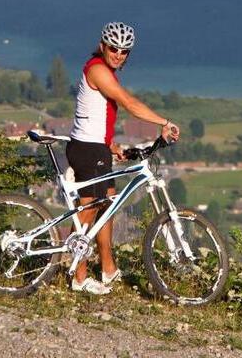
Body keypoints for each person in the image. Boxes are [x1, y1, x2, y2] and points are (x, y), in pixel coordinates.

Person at [67, 21, 180, 295]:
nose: (118, 54)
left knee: (107, 206)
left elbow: (93, 115)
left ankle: (107, 268)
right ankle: (79, 276)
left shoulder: (104, 70)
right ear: (103, 46)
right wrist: (164, 122)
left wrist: (112, 145)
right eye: (114, 48)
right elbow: (129, 103)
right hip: (87, 150)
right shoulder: (97, 70)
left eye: (124, 51)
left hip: (96, 148)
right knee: (89, 210)